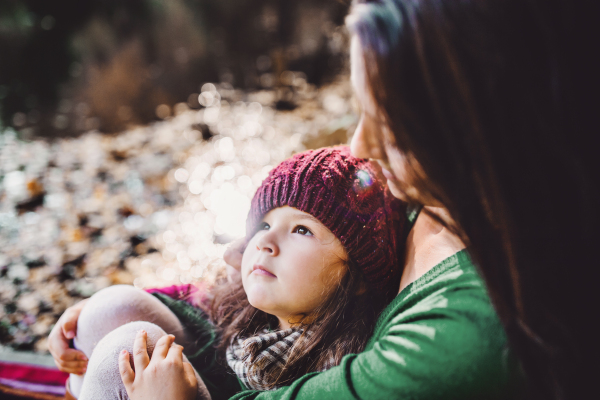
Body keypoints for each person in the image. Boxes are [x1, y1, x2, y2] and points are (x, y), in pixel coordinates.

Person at [49, 146, 405, 399]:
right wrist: (81, 314)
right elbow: (199, 297)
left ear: (355, 276)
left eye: (302, 230)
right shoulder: (255, 309)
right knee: (112, 308)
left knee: (124, 350)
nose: (265, 242)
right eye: (264, 223)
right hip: (225, 376)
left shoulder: (340, 372)